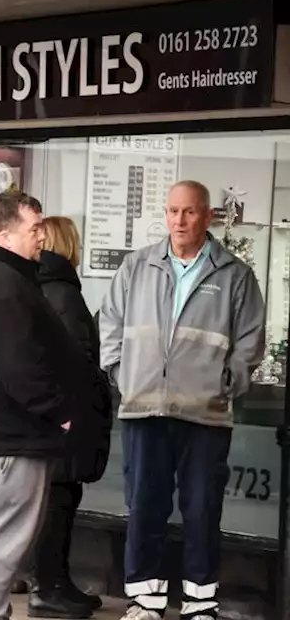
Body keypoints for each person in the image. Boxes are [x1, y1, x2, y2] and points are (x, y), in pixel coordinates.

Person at [100, 181, 265, 620]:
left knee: (201, 509)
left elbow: (250, 340)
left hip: (204, 413)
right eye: (172, 211)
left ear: (207, 216)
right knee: (145, 507)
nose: (178, 220)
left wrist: (227, 381)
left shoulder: (234, 274)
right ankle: (146, 600)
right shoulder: (137, 267)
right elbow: (110, 324)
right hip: (144, 407)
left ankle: (200, 601)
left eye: (189, 212)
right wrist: (121, 373)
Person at [0, 190, 92, 620]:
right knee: (3, 536)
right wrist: (60, 412)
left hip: (15, 431)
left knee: (2, 533)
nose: (41, 237)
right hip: (15, 434)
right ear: (3, 233)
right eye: (33, 229)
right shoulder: (2, 283)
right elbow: (20, 365)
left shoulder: (6, 277)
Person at [30, 216, 113, 618]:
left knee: (56, 500)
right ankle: (49, 587)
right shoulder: (63, 294)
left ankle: (56, 582)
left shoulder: (36, 287)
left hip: (47, 416)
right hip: (64, 416)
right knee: (59, 501)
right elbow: (76, 362)